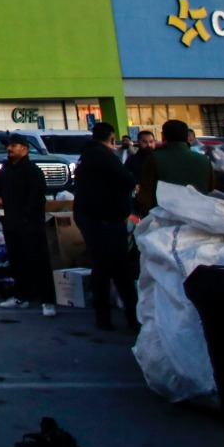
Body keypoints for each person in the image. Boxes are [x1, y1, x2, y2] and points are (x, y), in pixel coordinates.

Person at [72, 123, 140, 331]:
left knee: (102, 267)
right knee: (118, 269)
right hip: (106, 221)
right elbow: (127, 180)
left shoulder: (88, 156)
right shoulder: (104, 156)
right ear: (112, 139)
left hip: (92, 218)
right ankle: (129, 315)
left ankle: (104, 316)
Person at [0, 133, 56, 316]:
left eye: (14, 145)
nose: (9, 149)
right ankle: (21, 296)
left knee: (39, 261)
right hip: (11, 223)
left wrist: (26, 216)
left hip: (30, 224)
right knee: (18, 261)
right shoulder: (5, 169)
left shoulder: (32, 170)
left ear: (24, 149)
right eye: (9, 145)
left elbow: (37, 196)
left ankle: (47, 300)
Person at [135, 119, 213, 214]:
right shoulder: (204, 160)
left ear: (163, 136)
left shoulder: (154, 158)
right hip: (199, 217)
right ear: (187, 137)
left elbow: (145, 194)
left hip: (165, 219)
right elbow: (211, 188)